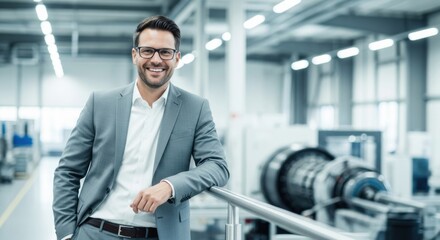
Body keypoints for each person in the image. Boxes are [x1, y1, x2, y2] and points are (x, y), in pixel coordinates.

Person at [52, 15, 229, 240]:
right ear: (135, 55)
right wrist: (67, 233)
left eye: (165, 52)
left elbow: (217, 166)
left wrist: (170, 186)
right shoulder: (100, 103)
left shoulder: (195, 108)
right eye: (148, 51)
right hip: (95, 231)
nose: (156, 60)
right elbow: (68, 171)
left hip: (159, 234)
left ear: (177, 58)